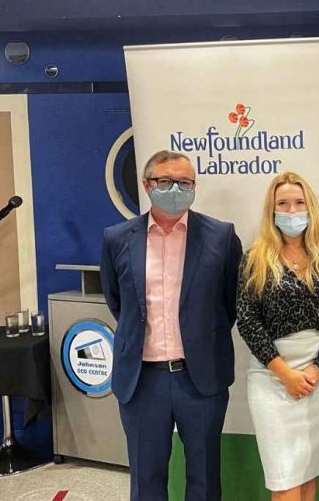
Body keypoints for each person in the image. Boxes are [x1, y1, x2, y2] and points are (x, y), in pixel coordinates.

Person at [100, 150, 242, 501]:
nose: (176, 188)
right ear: (147, 185)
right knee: (146, 482)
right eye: (166, 181)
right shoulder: (117, 238)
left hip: (200, 379)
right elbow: (117, 300)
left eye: (185, 182)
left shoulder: (221, 237)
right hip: (142, 380)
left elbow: (230, 302)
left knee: (205, 480)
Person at [236, 172, 319, 501]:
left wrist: (317, 369)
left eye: (299, 203)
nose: (291, 210)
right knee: (283, 476)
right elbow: (247, 320)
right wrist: (284, 373)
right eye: (282, 203)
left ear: (310, 207)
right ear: (271, 211)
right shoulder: (254, 258)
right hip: (271, 376)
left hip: (318, 375)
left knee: (307, 469)